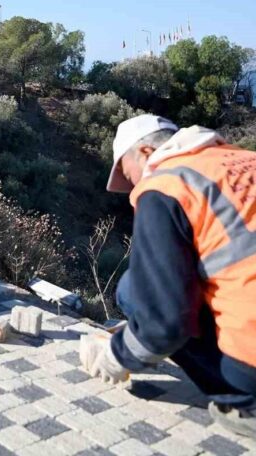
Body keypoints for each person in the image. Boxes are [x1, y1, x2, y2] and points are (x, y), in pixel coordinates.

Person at [80, 114, 256, 437]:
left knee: (133, 290)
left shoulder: (165, 185)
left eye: (128, 174)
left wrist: (116, 355)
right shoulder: (243, 160)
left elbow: (166, 322)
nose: (133, 185)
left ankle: (245, 405)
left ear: (146, 153)